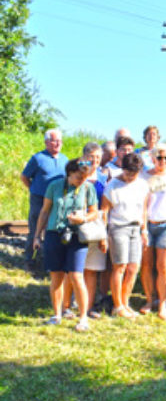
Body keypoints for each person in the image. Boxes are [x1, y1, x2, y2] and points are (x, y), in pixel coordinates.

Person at [32, 158, 98, 331]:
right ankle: (56, 314)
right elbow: (45, 211)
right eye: (78, 177)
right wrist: (37, 236)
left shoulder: (88, 188)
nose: (81, 181)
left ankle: (83, 318)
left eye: (84, 177)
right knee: (56, 276)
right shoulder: (54, 186)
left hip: (77, 235)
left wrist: (82, 218)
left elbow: (94, 212)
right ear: (69, 173)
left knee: (76, 276)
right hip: (55, 233)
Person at [102, 153, 150, 319]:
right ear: (122, 169)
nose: (131, 177)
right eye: (128, 173)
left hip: (135, 228)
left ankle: (125, 301)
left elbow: (143, 209)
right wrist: (103, 234)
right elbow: (105, 211)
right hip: (118, 228)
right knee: (120, 266)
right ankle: (117, 305)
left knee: (133, 268)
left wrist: (144, 230)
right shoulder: (113, 185)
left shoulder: (143, 185)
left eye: (134, 174)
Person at [140, 144, 166, 319]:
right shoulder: (144, 177)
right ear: (153, 158)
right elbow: (142, 205)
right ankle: (150, 300)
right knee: (147, 265)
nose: (163, 161)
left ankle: (163, 303)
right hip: (149, 225)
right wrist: (142, 228)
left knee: (164, 267)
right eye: (159, 157)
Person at [21, 129, 68, 271]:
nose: (58, 143)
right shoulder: (38, 158)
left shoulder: (64, 159)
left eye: (60, 140)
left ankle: (46, 261)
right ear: (47, 142)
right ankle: (29, 260)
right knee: (35, 229)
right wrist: (33, 189)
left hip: (56, 200)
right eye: (54, 140)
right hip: (39, 199)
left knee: (51, 231)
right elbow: (24, 177)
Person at [80, 143, 109, 318]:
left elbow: (105, 209)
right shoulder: (77, 175)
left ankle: (88, 306)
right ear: (84, 157)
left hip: (96, 225)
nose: (95, 160)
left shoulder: (104, 180)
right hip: (77, 223)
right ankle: (68, 307)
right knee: (74, 269)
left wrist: (103, 234)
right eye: (92, 157)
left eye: (98, 157)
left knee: (91, 270)